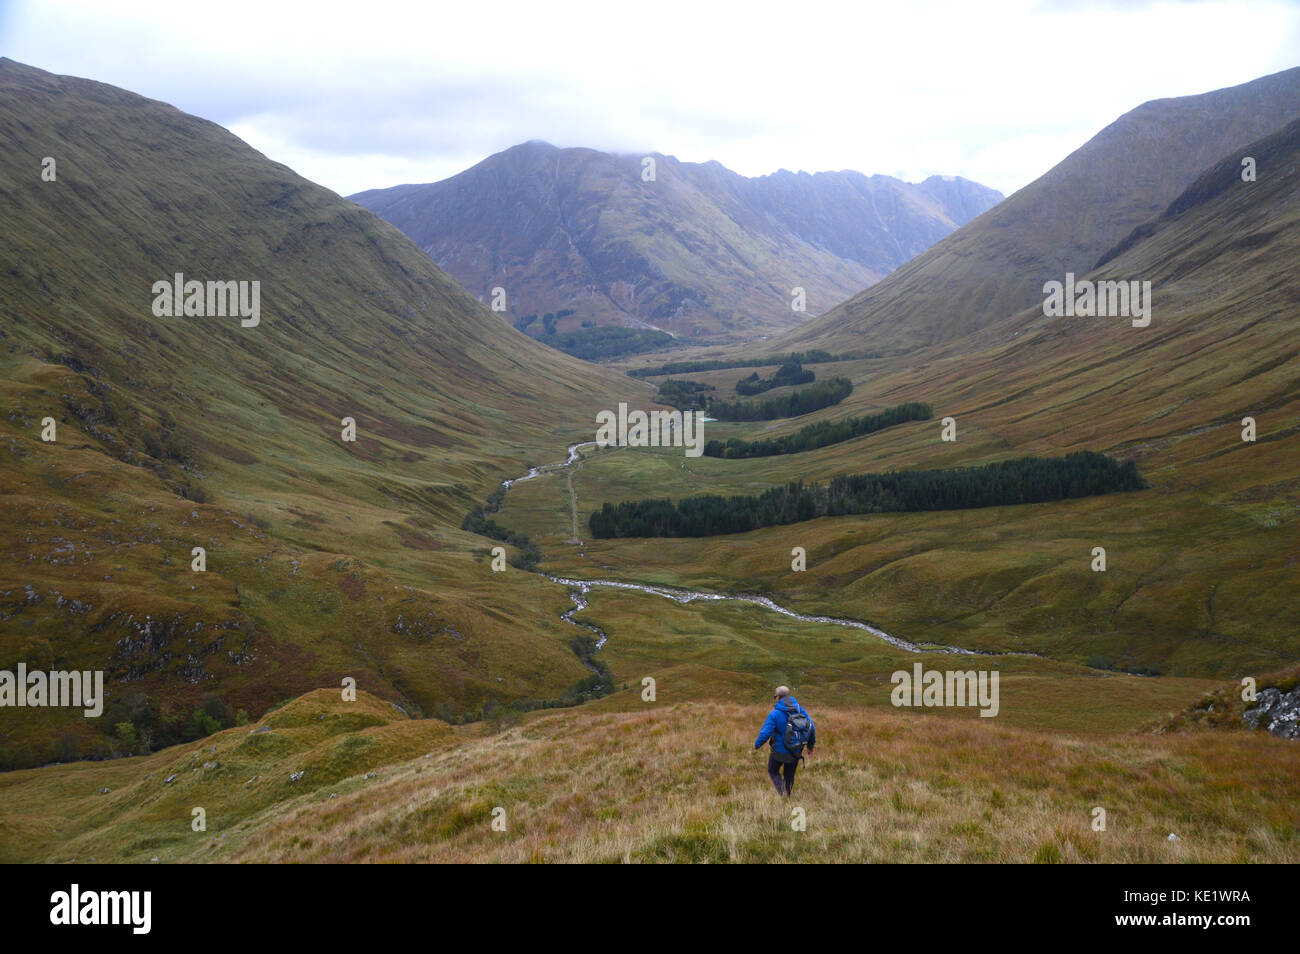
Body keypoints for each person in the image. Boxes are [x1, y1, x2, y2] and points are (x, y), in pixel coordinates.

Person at [754, 685, 816, 796]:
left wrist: (757, 745)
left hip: (779, 752)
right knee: (789, 774)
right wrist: (810, 746)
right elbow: (811, 727)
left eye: (775, 696)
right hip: (796, 750)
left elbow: (765, 733)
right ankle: (787, 795)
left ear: (778, 697)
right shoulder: (800, 709)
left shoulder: (775, 713)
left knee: (773, 770)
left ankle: (782, 793)